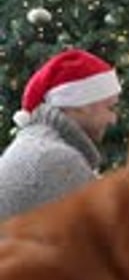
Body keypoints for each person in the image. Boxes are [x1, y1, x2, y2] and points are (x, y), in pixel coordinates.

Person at [0, 48, 121, 221]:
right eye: (110, 108)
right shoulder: (56, 159)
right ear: (81, 104)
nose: (113, 119)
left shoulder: (37, 144)